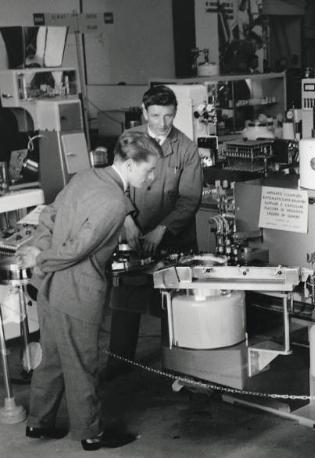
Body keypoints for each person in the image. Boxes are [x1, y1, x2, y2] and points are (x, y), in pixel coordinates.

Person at [16, 131, 161, 451]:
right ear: (129, 164)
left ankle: (38, 423)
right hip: (76, 293)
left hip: (48, 288)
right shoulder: (113, 202)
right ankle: (91, 433)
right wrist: (43, 256)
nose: (152, 178)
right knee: (82, 364)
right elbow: (77, 250)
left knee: (51, 359)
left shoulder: (85, 176)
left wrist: (39, 252)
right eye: (149, 170)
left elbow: (50, 215)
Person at [107, 85, 202, 377]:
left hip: (172, 237)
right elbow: (115, 182)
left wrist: (162, 230)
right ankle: (119, 364)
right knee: (125, 302)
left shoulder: (186, 148)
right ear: (144, 110)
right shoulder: (128, 139)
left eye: (169, 116)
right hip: (132, 234)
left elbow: (190, 199)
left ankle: (175, 368)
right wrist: (126, 219)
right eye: (157, 115)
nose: (163, 123)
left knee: (171, 304)